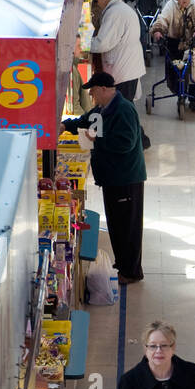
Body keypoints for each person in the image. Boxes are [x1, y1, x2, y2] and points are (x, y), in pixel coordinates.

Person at [60, 72, 146, 281]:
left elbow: (126, 143)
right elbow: (85, 120)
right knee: (116, 224)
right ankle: (123, 265)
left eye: (93, 90)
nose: (90, 94)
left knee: (128, 227)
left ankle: (131, 271)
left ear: (105, 89)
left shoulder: (123, 109)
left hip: (125, 179)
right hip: (111, 178)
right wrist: (65, 126)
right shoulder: (103, 109)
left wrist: (96, 139)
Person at [88, 0, 146, 102]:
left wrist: (82, 43)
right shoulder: (122, 8)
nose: (97, 5)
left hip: (123, 70)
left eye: (97, 1)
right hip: (128, 68)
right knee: (125, 107)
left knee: (121, 107)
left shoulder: (114, 13)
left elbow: (102, 43)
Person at [151, 0, 195, 94]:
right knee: (174, 71)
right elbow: (163, 19)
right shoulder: (170, 5)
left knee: (194, 71)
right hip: (175, 42)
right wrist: (158, 30)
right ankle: (179, 92)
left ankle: (194, 94)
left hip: (194, 42)